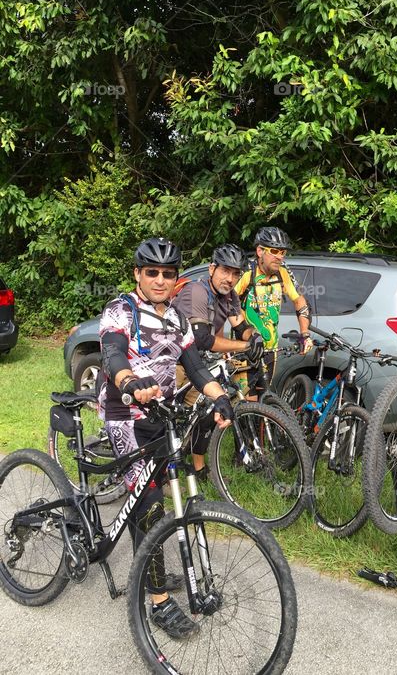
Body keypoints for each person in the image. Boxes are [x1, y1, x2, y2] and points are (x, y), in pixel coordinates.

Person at [98, 238, 235, 639]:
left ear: (177, 279)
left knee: (165, 492)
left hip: (162, 414)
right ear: (138, 274)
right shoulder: (120, 310)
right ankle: (157, 602)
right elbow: (112, 353)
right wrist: (128, 380)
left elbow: (194, 365)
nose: (160, 279)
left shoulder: (177, 317)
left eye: (168, 273)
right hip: (126, 414)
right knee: (150, 503)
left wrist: (220, 396)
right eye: (152, 272)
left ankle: (148, 560)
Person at [171, 243, 264, 475]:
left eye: (235, 274)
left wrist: (255, 337)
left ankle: (198, 468)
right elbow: (202, 338)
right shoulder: (196, 291)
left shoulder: (230, 296)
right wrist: (244, 345)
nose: (230, 279)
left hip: (195, 362)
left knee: (202, 415)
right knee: (165, 418)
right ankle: (158, 475)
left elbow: (241, 325)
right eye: (225, 271)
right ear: (212, 269)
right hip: (172, 361)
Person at [234, 227, 313, 399]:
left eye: (283, 252)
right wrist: (248, 333)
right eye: (275, 251)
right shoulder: (247, 271)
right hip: (245, 349)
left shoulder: (282, 272)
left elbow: (299, 300)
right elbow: (230, 303)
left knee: (264, 400)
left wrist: (304, 334)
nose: (280, 256)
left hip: (271, 349)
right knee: (247, 402)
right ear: (260, 251)